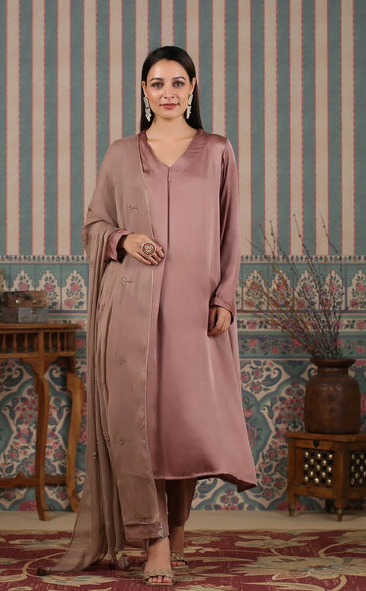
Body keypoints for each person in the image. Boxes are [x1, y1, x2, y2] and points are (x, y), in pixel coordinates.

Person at [39, 45, 256, 586]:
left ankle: (178, 524)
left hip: (195, 311)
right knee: (138, 424)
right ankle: (154, 537)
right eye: (157, 83)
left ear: (193, 87)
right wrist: (124, 239)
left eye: (178, 82)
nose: (168, 93)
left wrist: (225, 299)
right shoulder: (121, 154)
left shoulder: (217, 151)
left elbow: (231, 231)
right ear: (144, 91)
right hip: (131, 307)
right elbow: (93, 225)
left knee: (183, 425)